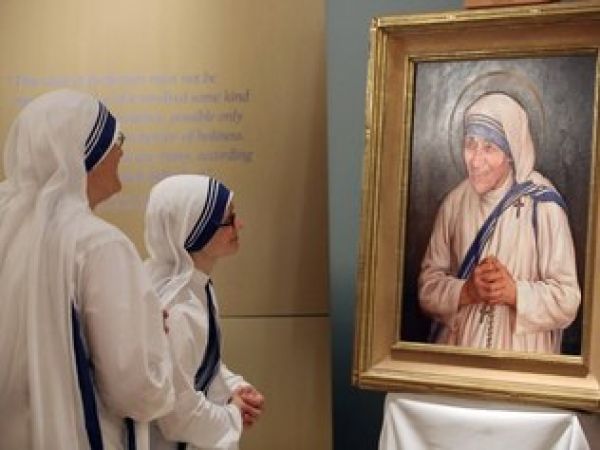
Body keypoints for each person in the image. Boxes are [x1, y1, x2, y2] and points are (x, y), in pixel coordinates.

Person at [0, 89, 175, 449]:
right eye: (117, 140)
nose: (121, 151)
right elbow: (134, 389)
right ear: (85, 153)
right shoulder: (99, 244)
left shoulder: (8, 229)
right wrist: (152, 335)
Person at [418, 92, 581, 353]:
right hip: (461, 352)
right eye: (470, 144)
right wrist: (466, 292)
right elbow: (427, 289)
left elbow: (568, 300)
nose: (475, 160)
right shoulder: (454, 203)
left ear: (511, 153)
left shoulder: (543, 205)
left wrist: (514, 293)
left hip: (522, 357)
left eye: (489, 148)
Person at [144, 174, 265, 450]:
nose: (240, 225)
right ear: (195, 229)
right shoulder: (176, 308)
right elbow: (178, 416)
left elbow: (201, 363)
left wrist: (235, 387)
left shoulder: (195, 286)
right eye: (229, 219)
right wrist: (233, 414)